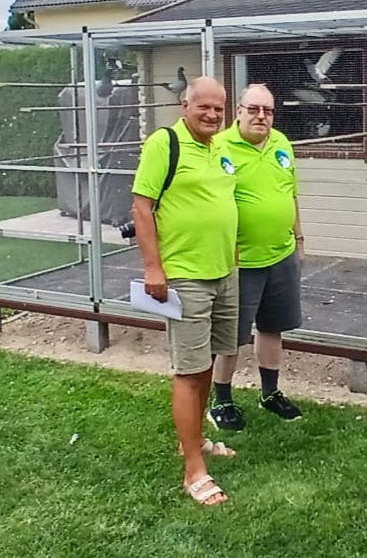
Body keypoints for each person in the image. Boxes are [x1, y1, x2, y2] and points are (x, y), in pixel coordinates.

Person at [131, 76, 239, 507]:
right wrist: (153, 267)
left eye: (218, 108)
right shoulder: (165, 144)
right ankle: (194, 469)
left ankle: (192, 440)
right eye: (204, 107)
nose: (212, 115)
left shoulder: (220, 148)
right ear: (185, 105)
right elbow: (142, 207)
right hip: (185, 276)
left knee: (208, 361)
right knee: (188, 371)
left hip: (224, 273)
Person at [207, 84, 305, 431]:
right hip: (240, 262)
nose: (261, 116)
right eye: (254, 109)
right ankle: (222, 400)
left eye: (268, 110)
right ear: (239, 111)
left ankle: (270, 393)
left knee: (272, 327)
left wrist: (299, 238)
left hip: (281, 254)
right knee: (231, 336)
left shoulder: (281, 143)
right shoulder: (219, 146)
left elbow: (291, 194)